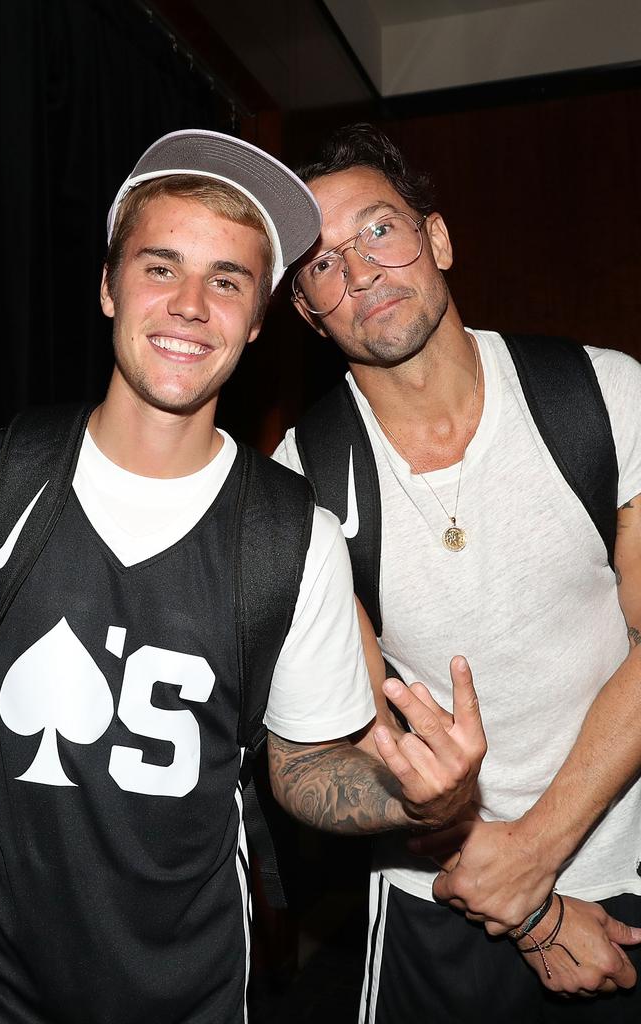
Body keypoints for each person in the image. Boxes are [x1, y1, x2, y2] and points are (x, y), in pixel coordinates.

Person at [0, 129, 485, 1024]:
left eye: (228, 281)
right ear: (109, 286)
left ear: (258, 317)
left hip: (191, 992)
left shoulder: (293, 536)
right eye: (162, 268)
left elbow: (306, 770)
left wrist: (413, 794)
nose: (192, 305)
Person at [274, 122, 641, 1022]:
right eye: (323, 266)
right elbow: (356, 744)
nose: (360, 273)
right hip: (433, 904)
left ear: (436, 238)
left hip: (623, 876)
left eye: (380, 231)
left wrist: (536, 861)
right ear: (306, 310)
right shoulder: (300, 481)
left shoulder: (602, 393)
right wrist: (532, 914)